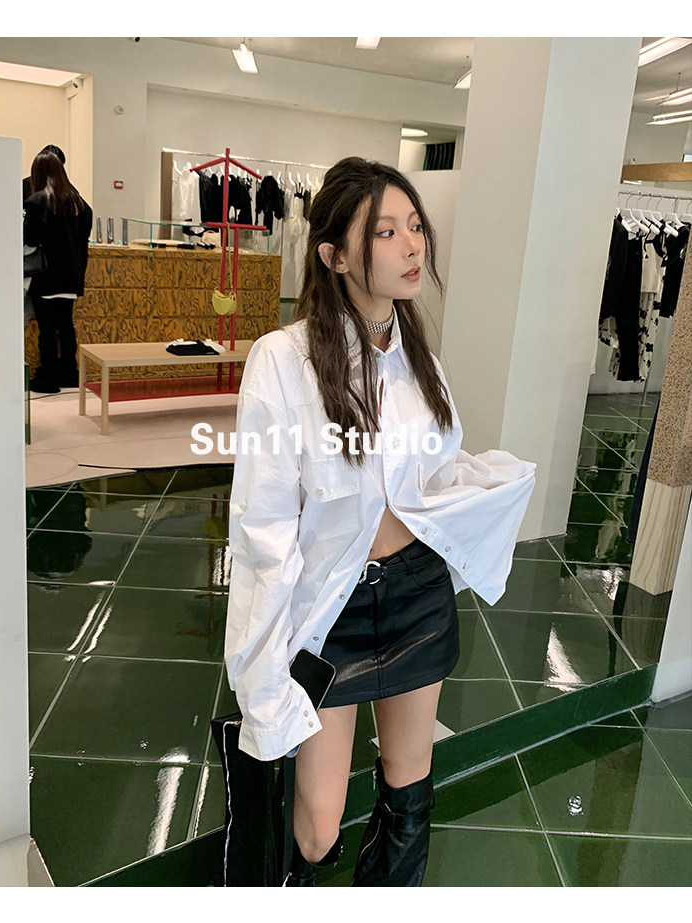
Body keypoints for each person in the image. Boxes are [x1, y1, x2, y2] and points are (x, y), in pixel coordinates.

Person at [224, 156, 536, 887]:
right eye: (386, 232)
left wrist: (486, 486)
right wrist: (259, 665)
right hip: (330, 609)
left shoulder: (421, 361)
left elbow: (429, 475)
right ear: (334, 256)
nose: (413, 245)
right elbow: (263, 528)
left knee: (408, 790)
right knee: (317, 823)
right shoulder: (282, 362)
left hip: (418, 595)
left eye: (415, 226)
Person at [24, 150, 92, 393]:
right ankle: (70, 374)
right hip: (71, 276)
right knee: (65, 325)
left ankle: (48, 378)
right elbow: (84, 236)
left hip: (46, 275)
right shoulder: (79, 203)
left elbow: (31, 238)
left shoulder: (36, 202)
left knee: (47, 328)